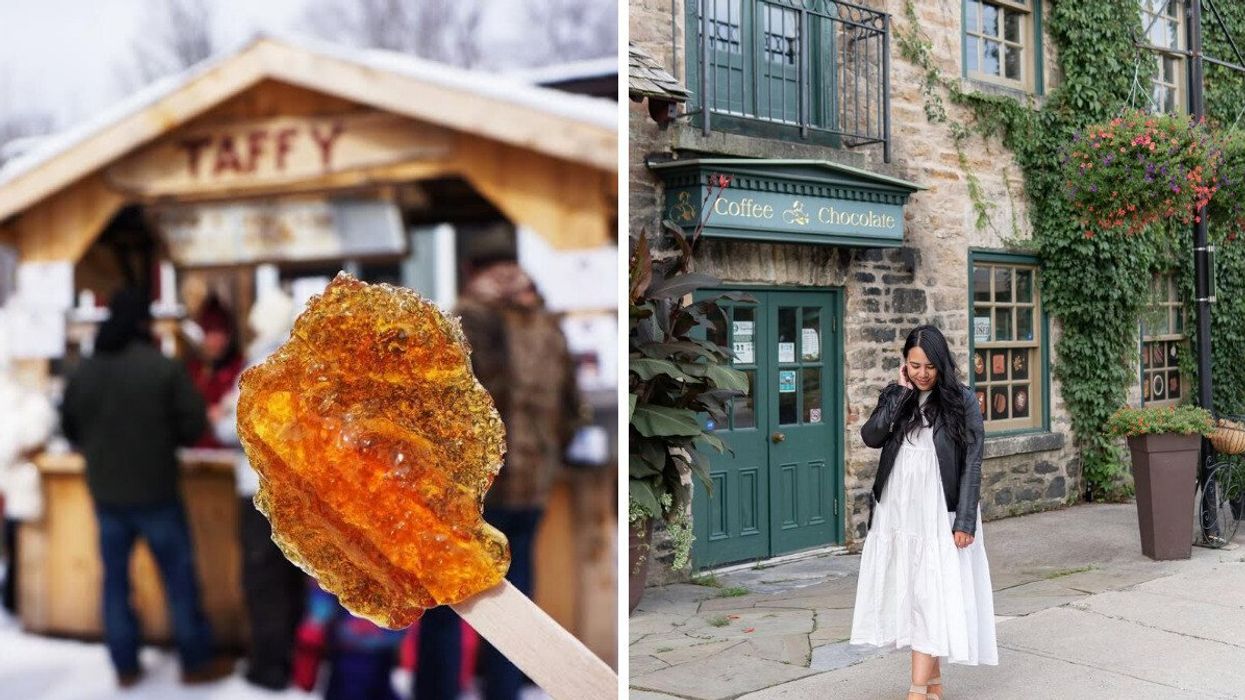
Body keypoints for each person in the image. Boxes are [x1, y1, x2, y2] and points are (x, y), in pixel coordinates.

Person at [415, 259, 583, 700]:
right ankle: (503, 691)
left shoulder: (466, 320)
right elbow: (572, 410)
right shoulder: (549, 326)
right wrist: (546, 458)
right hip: (532, 487)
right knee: (516, 596)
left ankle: (437, 692)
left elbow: (443, 404)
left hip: (471, 489)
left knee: (445, 596)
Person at [60, 288, 231, 688]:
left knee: (115, 583)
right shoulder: (162, 368)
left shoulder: (84, 371)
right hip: (157, 495)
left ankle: (125, 666)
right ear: (144, 324)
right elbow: (193, 427)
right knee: (178, 580)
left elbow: (69, 428)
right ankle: (195, 662)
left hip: (106, 497)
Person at [850, 324, 998, 700]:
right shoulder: (897, 395)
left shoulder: (961, 400)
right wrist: (899, 394)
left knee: (932, 593)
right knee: (915, 591)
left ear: (942, 364)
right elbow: (871, 437)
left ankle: (917, 691)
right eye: (914, 365)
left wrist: (965, 520)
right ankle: (932, 685)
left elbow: (973, 462)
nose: (921, 373)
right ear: (905, 363)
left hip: (939, 509)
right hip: (900, 508)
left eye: (929, 366)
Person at [214, 287, 307, 690]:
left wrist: (218, 414)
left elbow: (229, 428)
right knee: (293, 578)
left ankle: (269, 667)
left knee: (263, 580)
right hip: (300, 493)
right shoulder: (305, 365)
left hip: (259, 493)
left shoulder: (257, 369)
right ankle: (294, 659)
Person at [188, 293, 243, 448]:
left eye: (221, 333)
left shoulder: (239, 368)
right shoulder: (191, 371)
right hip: (194, 458)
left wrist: (227, 411)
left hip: (228, 457)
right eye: (209, 333)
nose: (216, 341)